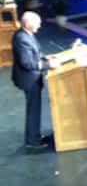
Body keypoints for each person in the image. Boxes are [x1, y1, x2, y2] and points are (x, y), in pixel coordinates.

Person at [12, 12, 56, 149]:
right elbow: (27, 63)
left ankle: (34, 136)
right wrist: (48, 65)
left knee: (34, 109)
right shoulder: (22, 38)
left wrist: (45, 57)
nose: (40, 25)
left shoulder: (26, 34)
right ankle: (33, 141)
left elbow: (34, 52)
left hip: (31, 79)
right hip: (29, 80)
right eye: (37, 23)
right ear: (28, 24)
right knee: (33, 110)